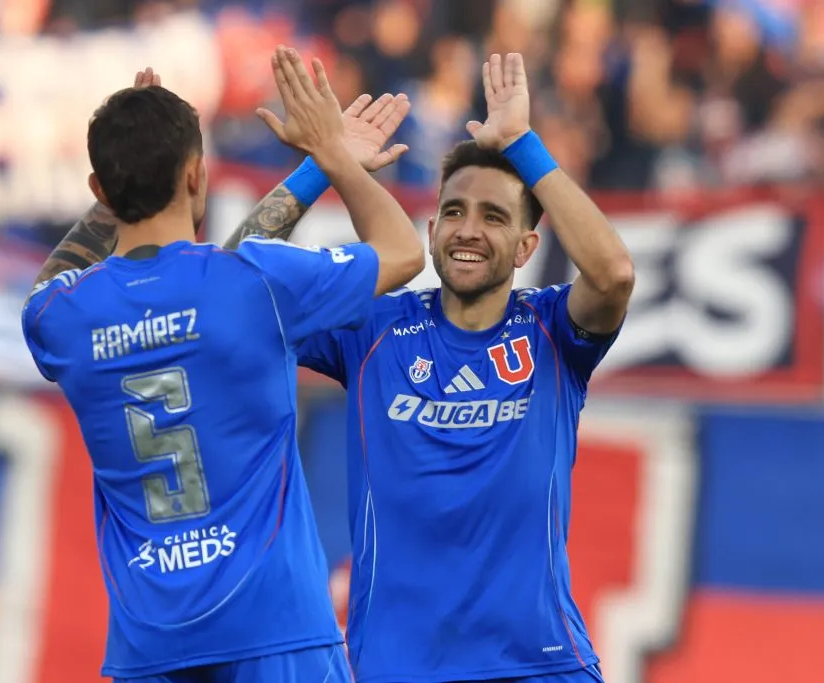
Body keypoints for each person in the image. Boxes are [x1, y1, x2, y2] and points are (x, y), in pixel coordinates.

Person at [227, 53, 635, 683]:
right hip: (398, 670)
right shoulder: (370, 329)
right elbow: (231, 291)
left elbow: (613, 274)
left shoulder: (555, 331)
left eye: (494, 217)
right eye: (453, 211)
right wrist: (322, 168)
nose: (467, 230)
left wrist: (523, 146)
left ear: (529, 245)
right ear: (433, 224)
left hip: (539, 667)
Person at [20, 50, 423, 683]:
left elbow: (53, 285)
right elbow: (401, 251)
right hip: (276, 627)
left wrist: (127, 166)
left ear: (98, 190)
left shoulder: (61, 318)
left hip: (150, 641)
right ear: (197, 175)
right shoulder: (253, 284)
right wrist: (331, 159)